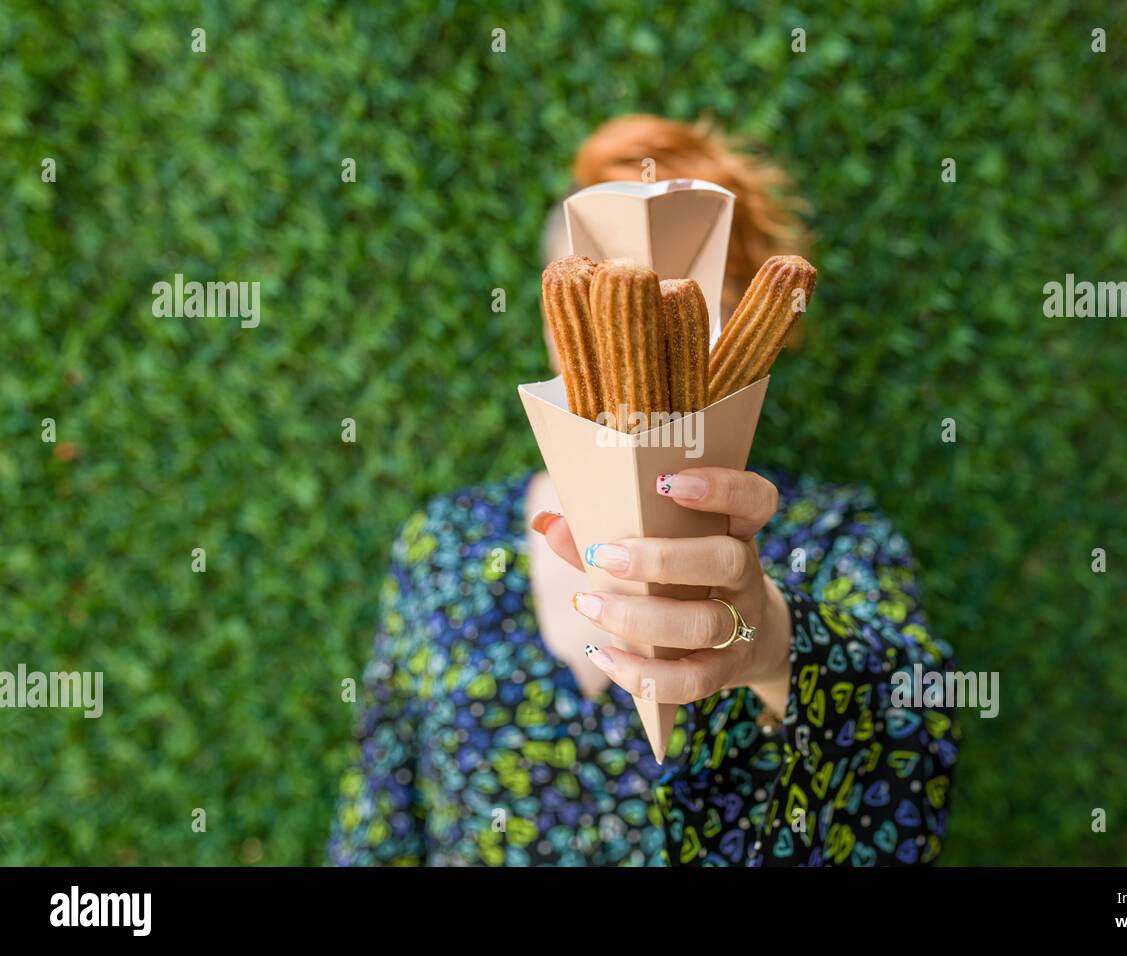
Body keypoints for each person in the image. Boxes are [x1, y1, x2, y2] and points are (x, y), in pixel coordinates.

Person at [327, 115, 959, 866]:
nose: (644, 326)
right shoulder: (445, 545)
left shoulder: (829, 537)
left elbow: (916, 774)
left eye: (688, 297)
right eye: (608, 286)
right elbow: (379, 821)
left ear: (749, 330)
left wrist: (772, 642)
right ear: (551, 313)